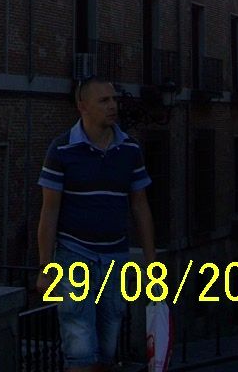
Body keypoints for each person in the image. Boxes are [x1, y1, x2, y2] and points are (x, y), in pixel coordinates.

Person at [36, 78, 155, 372]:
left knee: (106, 350)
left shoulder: (130, 149)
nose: (113, 105)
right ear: (83, 106)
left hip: (115, 258)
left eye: (114, 99)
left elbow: (140, 207)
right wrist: (44, 268)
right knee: (79, 349)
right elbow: (49, 211)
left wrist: (152, 267)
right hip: (74, 256)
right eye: (104, 100)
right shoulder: (61, 149)